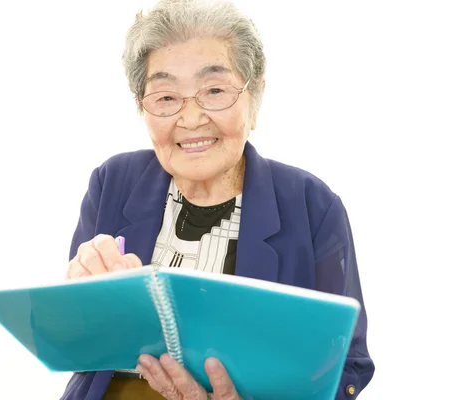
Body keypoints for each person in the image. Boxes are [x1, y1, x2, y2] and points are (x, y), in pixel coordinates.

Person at [60, 0, 374, 398]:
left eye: (214, 90)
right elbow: (75, 343)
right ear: (143, 107)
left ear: (254, 96)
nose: (190, 119)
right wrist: (76, 302)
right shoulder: (113, 181)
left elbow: (349, 364)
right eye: (166, 97)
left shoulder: (313, 205)